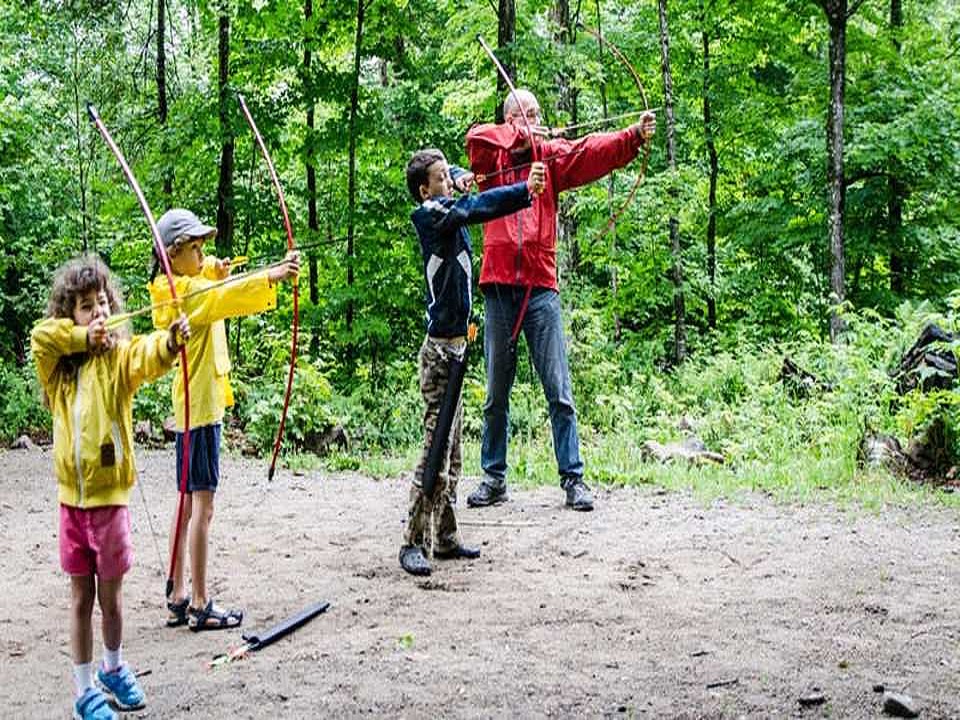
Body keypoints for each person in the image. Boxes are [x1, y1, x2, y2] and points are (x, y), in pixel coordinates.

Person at [462, 89, 656, 512]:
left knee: (559, 391)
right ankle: (493, 478)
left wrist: (633, 136)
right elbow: (476, 139)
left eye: (536, 114)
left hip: (540, 287)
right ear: (510, 118)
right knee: (496, 393)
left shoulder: (548, 157)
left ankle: (574, 480)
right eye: (525, 114)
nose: (534, 119)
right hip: (498, 288)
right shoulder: (492, 159)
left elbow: (590, 150)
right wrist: (519, 135)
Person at [31, 255, 190, 720]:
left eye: (102, 304)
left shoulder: (117, 360)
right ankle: (84, 691)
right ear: (70, 316)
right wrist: (81, 338)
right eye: (85, 307)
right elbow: (41, 338)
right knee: (80, 598)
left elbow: (145, 356)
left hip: (110, 503)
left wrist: (170, 342)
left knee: (111, 599)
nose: (98, 312)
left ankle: (113, 668)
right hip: (71, 506)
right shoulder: (59, 372)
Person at [148, 208, 299, 630]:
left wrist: (212, 268)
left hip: (191, 411)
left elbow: (207, 283)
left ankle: (178, 592)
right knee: (203, 507)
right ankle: (198, 601)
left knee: (186, 503)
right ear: (173, 254)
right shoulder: (189, 295)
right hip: (200, 412)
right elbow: (220, 297)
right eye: (195, 248)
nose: (203, 255)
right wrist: (273, 275)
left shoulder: (173, 287)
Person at [399, 148, 546, 576]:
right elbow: (475, 207)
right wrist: (523, 190)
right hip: (439, 353)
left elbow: (461, 184)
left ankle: (444, 538)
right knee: (435, 450)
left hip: (459, 349)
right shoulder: (431, 214)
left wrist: (460, 175)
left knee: (455, 451)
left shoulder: (445, 197)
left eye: (449, 175)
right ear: (425, 190)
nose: (449, 181)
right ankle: (411, 541)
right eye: (441, 178)